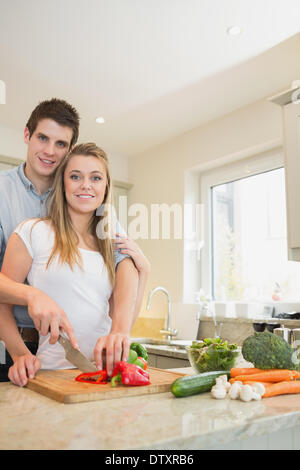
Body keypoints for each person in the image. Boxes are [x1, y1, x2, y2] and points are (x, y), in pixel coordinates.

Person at [0, 98, 150, 382]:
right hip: (13, 340)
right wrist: (32, 296)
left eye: (60, 144)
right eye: (42, 138)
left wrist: (119, 328)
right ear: (26, 135)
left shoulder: (100, 215)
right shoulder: (20, 214)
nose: (49, 151)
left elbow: (124, 261)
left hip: (81, 359)